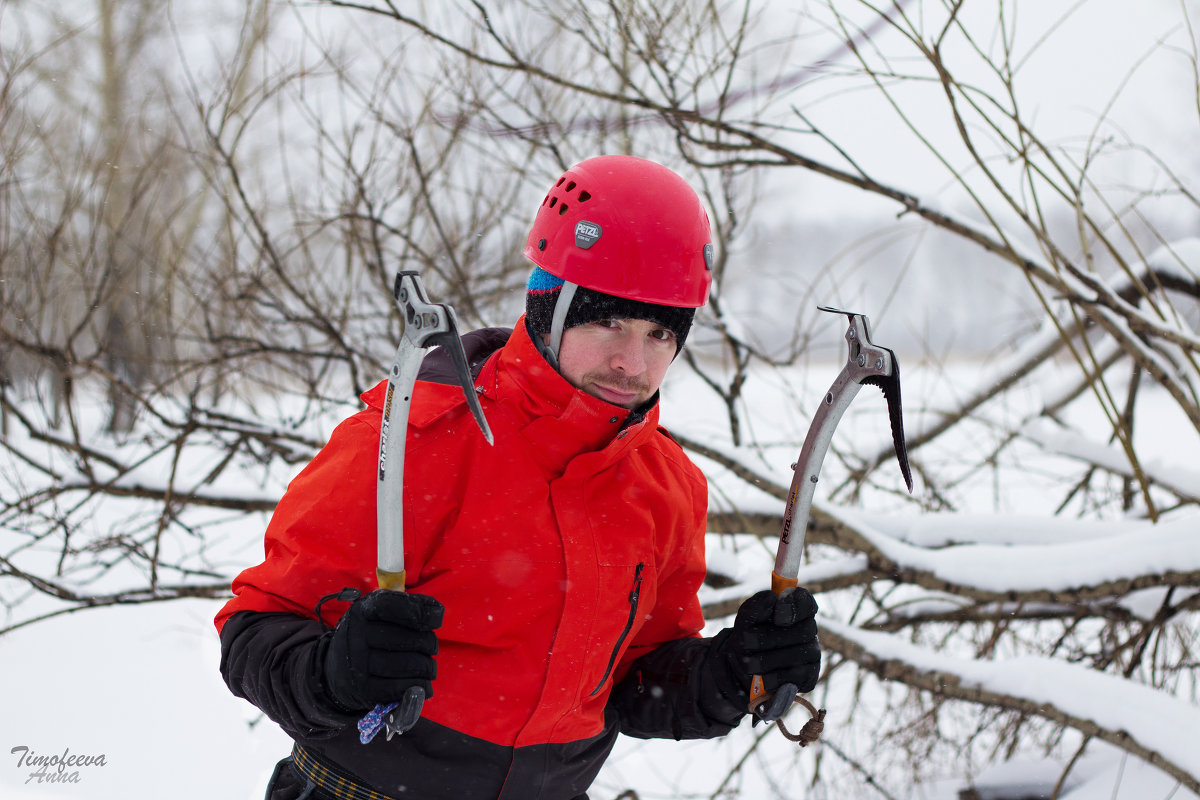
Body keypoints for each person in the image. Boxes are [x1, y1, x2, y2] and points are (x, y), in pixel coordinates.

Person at [216, 154, 822, 800]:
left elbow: (635, 682)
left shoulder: (666, 487)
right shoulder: (409, 440)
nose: (631, 361)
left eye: (659, 334)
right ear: (548, 308)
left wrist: (729, 675)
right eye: (607, 321)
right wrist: (333, 675)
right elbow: (254, 630)